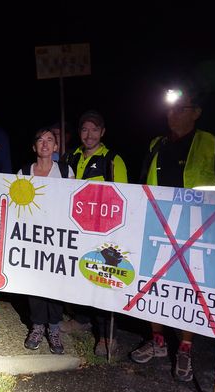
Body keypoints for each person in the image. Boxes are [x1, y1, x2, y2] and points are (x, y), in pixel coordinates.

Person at [130, 85, 215, 382]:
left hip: (198, 231)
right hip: (157, 227)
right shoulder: (156, 144)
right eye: (169, 109)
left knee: (189, 290)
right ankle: (157, 340)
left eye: (180, 108)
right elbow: (139, 185)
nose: (172, 114)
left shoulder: (210, 143)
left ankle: (185, 346)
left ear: (196, 113)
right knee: (151, 284)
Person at [60, 110, 128, 357]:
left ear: (103, 132)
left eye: (94, 130)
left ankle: (107, 336)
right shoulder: (70, 156)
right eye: (85, 130)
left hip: (103, 233)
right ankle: (80, 319)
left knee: (102, 282)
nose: (89, 135)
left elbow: (123, 198)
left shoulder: (112, 159)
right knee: (77, 277)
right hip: (75, 230)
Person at [18, 127, 74, 354]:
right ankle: (37, 326)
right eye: (40, 140)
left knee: (55, 285)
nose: (45, 144)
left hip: (57, 239)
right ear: (34, 147)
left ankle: (54, 328)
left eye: (50, 140)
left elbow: (71, 202)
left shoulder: (64, 170)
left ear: (56, 146)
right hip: (33, 238)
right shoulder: (23, 171)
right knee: (35, 283)